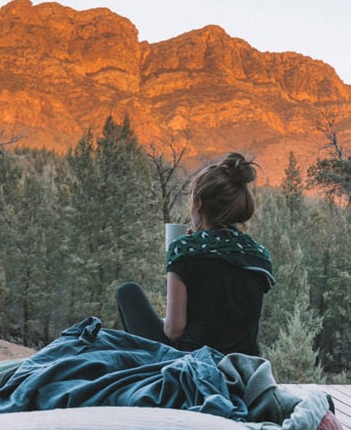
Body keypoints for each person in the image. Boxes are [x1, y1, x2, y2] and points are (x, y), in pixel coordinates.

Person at [116, 152, 275, 356]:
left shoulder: (184, 250)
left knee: (127, 292)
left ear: (199, 203)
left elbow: (174, 330)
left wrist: (184, 248)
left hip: (192, 359)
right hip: (243, 361)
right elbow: (227, 304)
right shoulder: (259, 255)